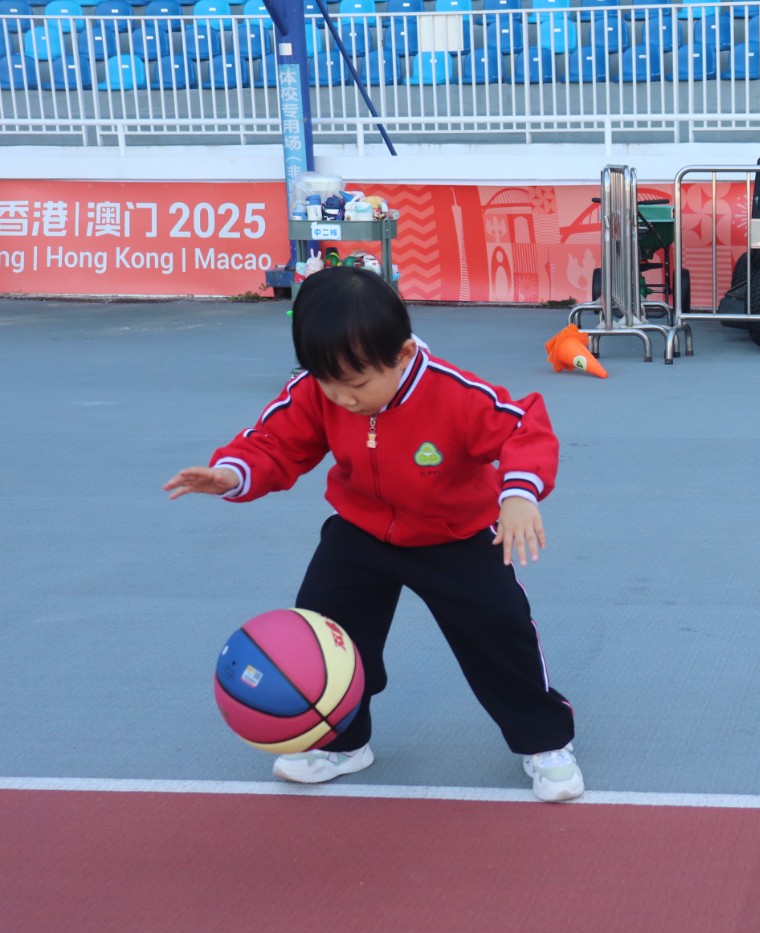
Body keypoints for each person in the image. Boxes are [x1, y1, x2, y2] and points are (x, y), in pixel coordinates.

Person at [164, 267, 584, 800]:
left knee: (500, 634)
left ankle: (545, 742)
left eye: (357, 384)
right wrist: (231, 474)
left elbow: (522, 427)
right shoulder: (317, 390)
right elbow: (275, 442)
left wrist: (519, 494)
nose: (343, 398)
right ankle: (342, 743)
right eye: (327, 382)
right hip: (360, 532)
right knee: (329, 634)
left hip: (454, 536)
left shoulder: (454, 393)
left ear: (403, 355)